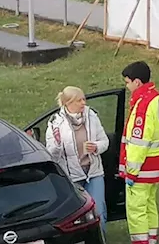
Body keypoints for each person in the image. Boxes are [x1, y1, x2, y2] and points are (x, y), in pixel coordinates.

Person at [119, 61, 159, 244]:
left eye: (128, 82)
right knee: (149, 207)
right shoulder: (158, 99)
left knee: (136, 211)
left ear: (137, 82)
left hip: (141, 169)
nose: (127, 86)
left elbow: (138, 143)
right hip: (155, 166)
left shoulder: (143, 105)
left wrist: (131, 172)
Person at [45, 86, 111, 228]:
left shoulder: (92, 116)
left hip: (94, 172)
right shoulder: (55, 123)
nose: (83, 103)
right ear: (68, 103)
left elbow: (105, 141)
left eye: (83, 99)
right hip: (72, 177)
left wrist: (96, 147)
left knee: (98, 211)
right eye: (78, 100)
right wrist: (57, 144)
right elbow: (52, 155)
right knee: (77, 216)